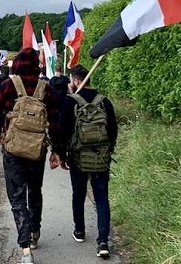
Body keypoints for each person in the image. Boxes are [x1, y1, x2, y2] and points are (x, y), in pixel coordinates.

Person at [0, 48, 62, 264]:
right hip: (37, 150)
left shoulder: (8, 86)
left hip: (13, 150)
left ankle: (25, 248)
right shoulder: (46, 89)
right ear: (37, 66)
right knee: (35, 191)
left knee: (17, 197)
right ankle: (35, 231)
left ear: (18, 64)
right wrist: (56, 150)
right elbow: (56, 122)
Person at [57, 64, 119, 260]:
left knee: (79, 193)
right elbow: (113, 130)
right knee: (101, 197)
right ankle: (103, 241)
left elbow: (63, 130)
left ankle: (80, 231)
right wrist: (108, 150)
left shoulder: (70, 102)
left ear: (76, 81)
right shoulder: (104, 102)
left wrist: (61, 153)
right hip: (101, 156)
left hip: (78, 156)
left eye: (70, 81)